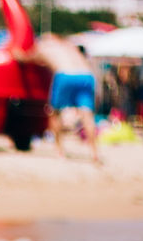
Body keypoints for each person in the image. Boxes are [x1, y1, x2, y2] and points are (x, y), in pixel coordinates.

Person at [33, 34, 101, 164]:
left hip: (65, 74)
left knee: (55, 112)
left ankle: (59, 151)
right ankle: (94, 153)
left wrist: (18, 55)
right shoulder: (69, 45)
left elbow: (29, 58)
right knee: (87, 115)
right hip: (86, 76)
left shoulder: (44, 45)